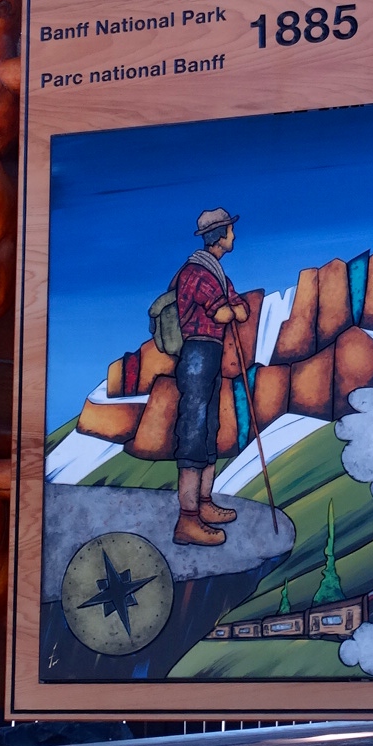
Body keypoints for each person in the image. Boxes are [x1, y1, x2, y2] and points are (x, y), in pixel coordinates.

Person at [172, 207, 251, 546]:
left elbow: (239, 309)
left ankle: (203, 503)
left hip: (212, 352)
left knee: (208, 427)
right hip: (197, 352)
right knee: (194, 426)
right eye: (230, 231)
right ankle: (187, 519)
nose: (234, 236)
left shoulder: (217, 274)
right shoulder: (196, 272)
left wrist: (232, 309)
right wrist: (230, 310)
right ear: (220, 236)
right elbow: (222, 312)